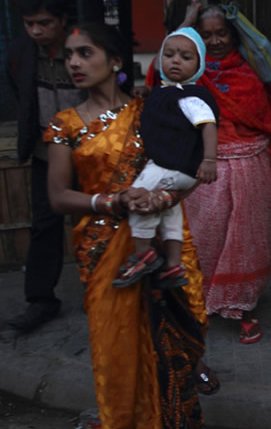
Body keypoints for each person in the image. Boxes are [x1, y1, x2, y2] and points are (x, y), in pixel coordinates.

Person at [44, 22, 210, 427]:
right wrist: (113, 200)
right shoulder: (64, 125)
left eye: (86, 52)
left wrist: (162, 197)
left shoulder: (151, 108)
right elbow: (58, 197)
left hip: (164, 237)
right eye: (69, 55)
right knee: (116, 348)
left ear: (115, 61)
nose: (75, 63)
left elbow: (185, 165)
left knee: (175, 338)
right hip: (106, 252)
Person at [160, 3, 271, 344]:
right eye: (206, 35)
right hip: (205, 171)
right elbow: (157, 81)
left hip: (252, 165)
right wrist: (187, 24)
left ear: (233, 35)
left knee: (250, 240)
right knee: (205, 238)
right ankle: (197, 302)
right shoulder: (187, 71)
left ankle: (243, 306)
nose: (216, 41)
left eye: (222, 33)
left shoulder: (249, 73)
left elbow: (267, 120)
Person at [4, 0, 85, 335]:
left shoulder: (83, 47)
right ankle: (40, 300)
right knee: (44, 225)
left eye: (44, 23)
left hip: (90, 152)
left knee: (96, 222)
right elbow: (16, 90)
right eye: (29, 23)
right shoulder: (22, 51)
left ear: (62, 20)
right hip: (45, 153)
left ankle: (105, 292)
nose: (36, 30)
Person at [113, 27, 220, 290]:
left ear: (199, 65)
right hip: (176, 168)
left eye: (186, 57)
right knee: (169, 212)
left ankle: (143, 254)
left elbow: (208, 125)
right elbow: (164, 104)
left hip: (169, 165)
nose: (175, 61)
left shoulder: (191, 96)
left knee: (140, 199)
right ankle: (174, 265)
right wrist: (147, 93)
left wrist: (209, 160)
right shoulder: (167, 91)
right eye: (169, 54)